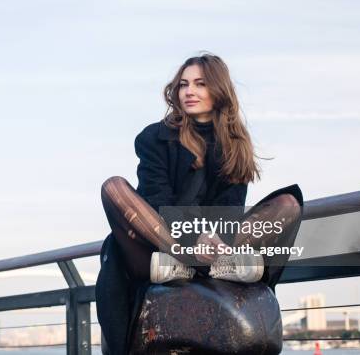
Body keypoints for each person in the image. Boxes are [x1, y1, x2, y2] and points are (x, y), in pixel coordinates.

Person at [95, 53, 304, 354]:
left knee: (288, 204)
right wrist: (192, 242)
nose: (189, 91)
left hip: (212, 248)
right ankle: (199, 261)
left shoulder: (234, 143)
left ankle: (210, 262)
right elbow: (157, 200)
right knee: (113, 187)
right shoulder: (153, 138)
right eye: (183, 84)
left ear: (218, 90)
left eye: (200, 84)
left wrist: (215, 240)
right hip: (159, 248)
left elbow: (230, 209)